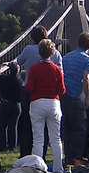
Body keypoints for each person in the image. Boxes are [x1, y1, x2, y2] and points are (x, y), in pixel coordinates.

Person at [15, 26, 62, 156]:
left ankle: (25, 155)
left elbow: (18, 61)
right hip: (51, 95)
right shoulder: (56, 54)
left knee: (28, 126)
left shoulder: (29, 49)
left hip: (32, 92)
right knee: (46, 129)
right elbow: (61, 76)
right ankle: (42, 157)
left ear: (32, 38)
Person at [25, 39, 66, 173]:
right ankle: (59, 169)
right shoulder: (57, 69)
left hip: (37, 102)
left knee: (38, 139)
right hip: (53, 103)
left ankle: (38, 169)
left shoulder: (34, 69)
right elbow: (62, 90)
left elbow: (29, 87)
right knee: (56, 139)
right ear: (52, 53)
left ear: (39, 52)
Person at [61, 33, 89, 163]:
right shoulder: (88, 60)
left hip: (64, 95)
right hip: (75, 95)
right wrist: (87, 97)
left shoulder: (66, 57)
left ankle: (68, 156)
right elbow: (86, 78)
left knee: (67, 127)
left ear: (78, 43)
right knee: (80, 128)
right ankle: (76, 158)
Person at [0, 62, 22, 153]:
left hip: (5, 104)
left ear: (9, 70)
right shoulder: (19, 81)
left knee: (3, 126)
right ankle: (12, 146)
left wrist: (1, 66)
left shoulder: (4, 79)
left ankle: (2, 146)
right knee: (13, 126)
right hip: (16, 105)